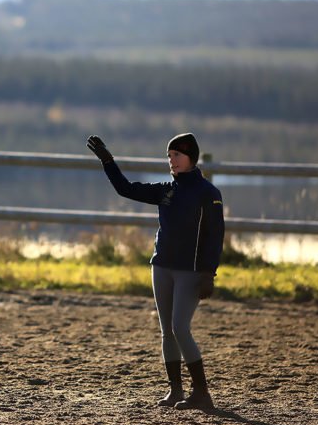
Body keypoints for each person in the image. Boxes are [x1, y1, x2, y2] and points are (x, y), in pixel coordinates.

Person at [87, 133, 224, 409]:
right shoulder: (166, 189)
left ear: (191, 158)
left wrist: (209, 272)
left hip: (191, 271)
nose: (171, 161)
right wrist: (108, 161)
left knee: (180, 327)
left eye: (177, 155)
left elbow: (215, 235)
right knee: (167, 331)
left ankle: (201, 393)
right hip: (161, 267)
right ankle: (175, 390)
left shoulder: (208, 194)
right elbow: (126, 189)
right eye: (169, 156)